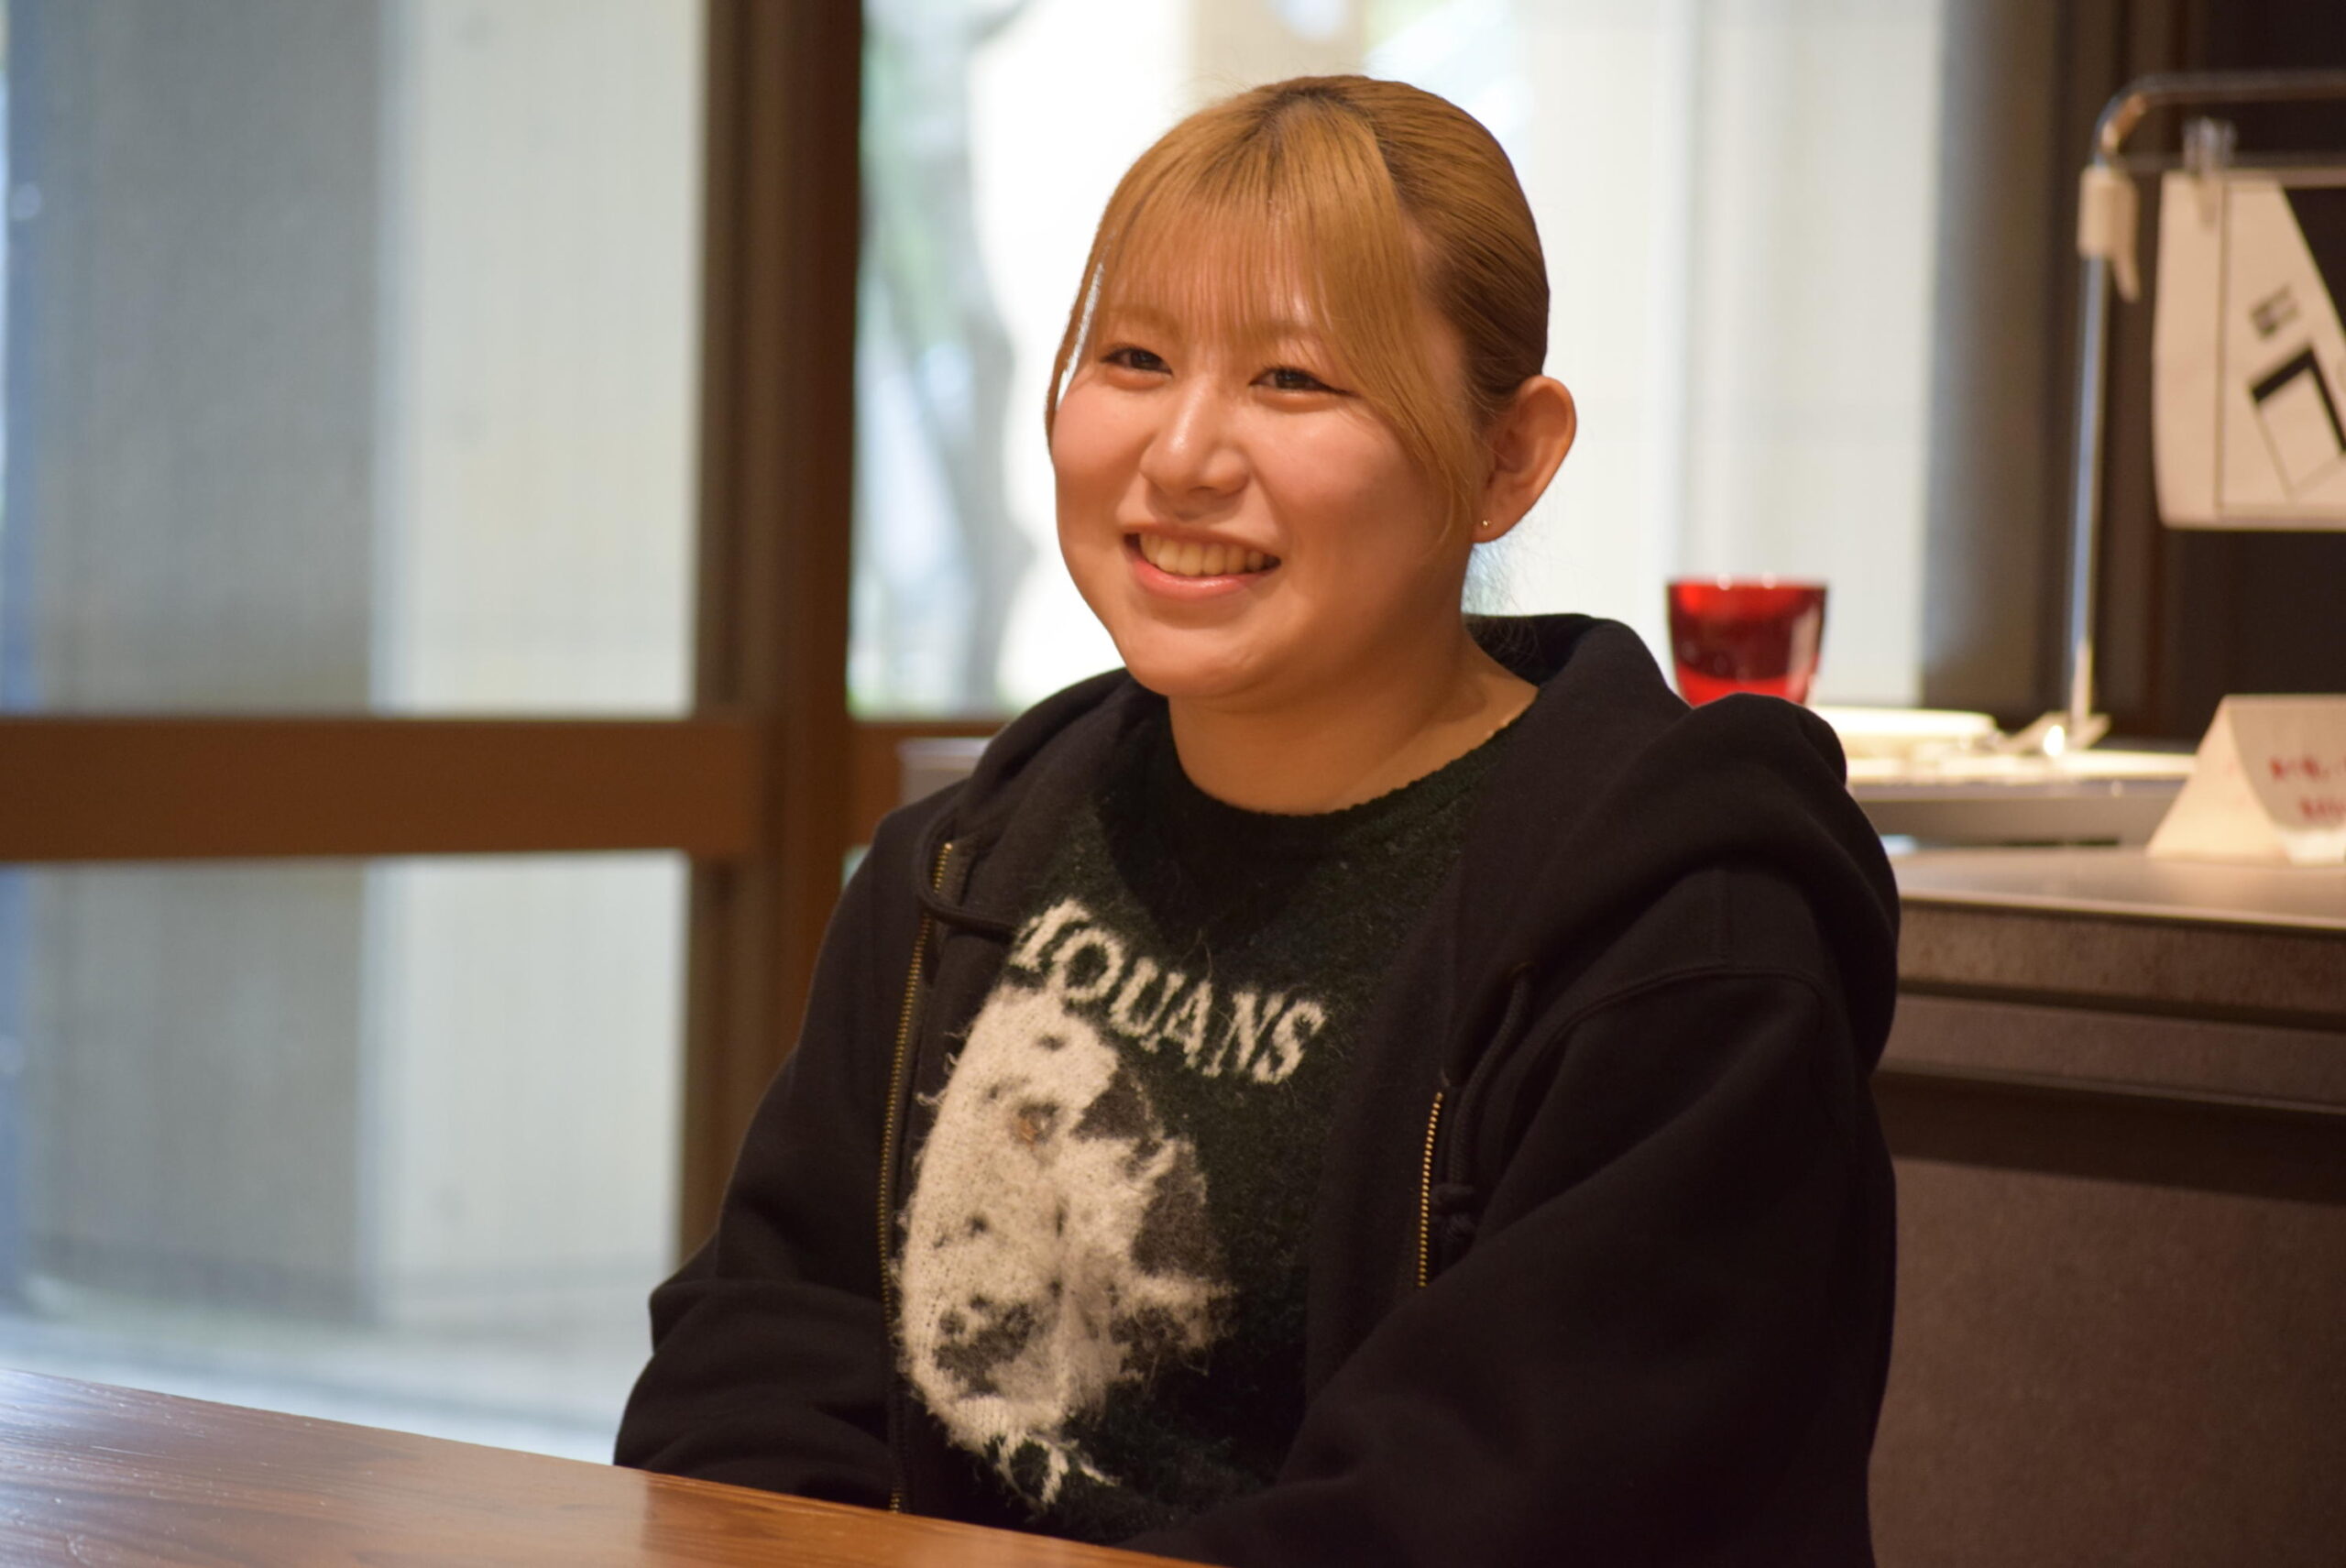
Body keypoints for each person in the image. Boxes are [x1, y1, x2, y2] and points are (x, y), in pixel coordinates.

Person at [616, 75, 1900, 1567]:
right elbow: (751, 1379)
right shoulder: (961, 871)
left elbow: (1494, 1514)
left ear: (1508, 457)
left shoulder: (1681, 941)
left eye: (1291, 380)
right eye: (1135, 358)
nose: (1182, 457)